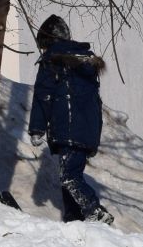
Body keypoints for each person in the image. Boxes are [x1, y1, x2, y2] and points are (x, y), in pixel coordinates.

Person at [28, 15, 114, 225]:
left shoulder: (53, 60)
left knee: (68, 175)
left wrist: (37, 128)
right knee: (70, 175)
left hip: (67, 128)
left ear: (47, 41)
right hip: (87, 130)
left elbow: (44, 95)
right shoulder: (85, 63)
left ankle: (95, 211)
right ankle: (73, 219)